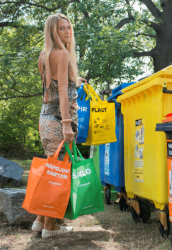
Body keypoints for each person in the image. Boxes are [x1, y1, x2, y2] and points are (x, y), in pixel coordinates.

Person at [31, 13, 86, 239]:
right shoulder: (62, 54)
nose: (67, 32)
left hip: (45, 119)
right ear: (53, 31)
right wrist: (66, 124)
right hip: (58, 120)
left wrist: (76, 82)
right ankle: (51, 227)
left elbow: (51, 87)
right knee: (59, 174)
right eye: (62, 28)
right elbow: (61, 91)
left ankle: (40, 221)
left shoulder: (44, 55)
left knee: (52, 170)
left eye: (69, 27)